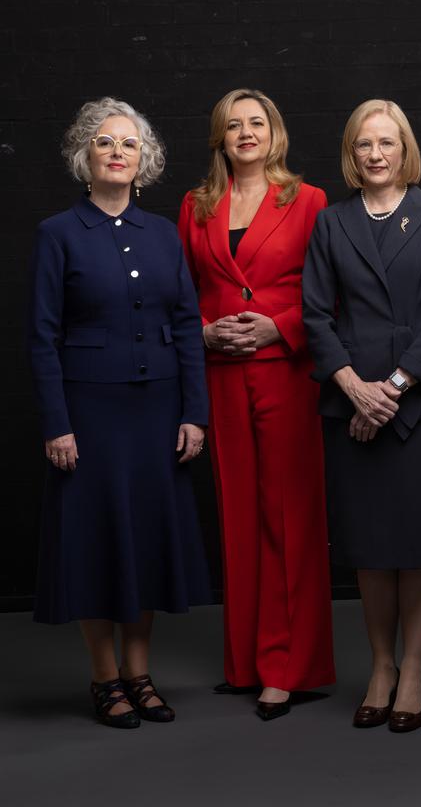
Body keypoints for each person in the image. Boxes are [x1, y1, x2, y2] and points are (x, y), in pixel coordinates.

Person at [29, 98, 213, 729]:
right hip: (89, 413)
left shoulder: (162, 234)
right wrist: (57, 422)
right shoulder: (58, 233)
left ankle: (140, 673)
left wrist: (195, 412)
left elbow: (187, 325)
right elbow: (41, 336)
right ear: (87, 157)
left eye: (128, 144)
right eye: (104, 142)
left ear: (144, 161)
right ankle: (105, 678)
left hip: (158, 411)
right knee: (97, 542)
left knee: (147, 542)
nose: (117, 151)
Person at [302, 99, 421, 733]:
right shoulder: (330, 222)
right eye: (364, 144)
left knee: (417, 548)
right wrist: (352, 388)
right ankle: (380, 667)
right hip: (350, 404)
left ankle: (414, 669)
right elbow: (315, 313)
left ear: (404, 150)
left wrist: (388, 390)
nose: (375, 154)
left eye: (387, 144)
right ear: (352, 151)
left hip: (417, 406)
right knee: (369, 548)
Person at [178, 88, 335, 721]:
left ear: (276, 132)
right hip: (222, 372)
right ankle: (245, 661)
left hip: (288, 373)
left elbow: (334, 294)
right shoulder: (195, 207)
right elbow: (179, 294)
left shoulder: (310, 200)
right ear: (219, 137)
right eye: (234, 125)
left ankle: (288, 667)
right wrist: (203, 331)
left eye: (258, 122)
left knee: (289, 518)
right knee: (237, 515)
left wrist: (281, 326)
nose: (247, 133)